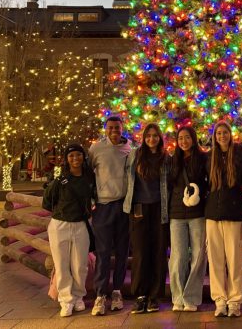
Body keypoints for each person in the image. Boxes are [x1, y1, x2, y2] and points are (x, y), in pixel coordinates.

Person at [42, 143, 96, 317]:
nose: (75, 159)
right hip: (60, 224)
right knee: (61, 264)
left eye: (78, 155)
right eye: (71, 156)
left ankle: (79, 296)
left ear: (83, 157)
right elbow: (47, 201)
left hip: (81, 224)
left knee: (80, 265)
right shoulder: (60, 180)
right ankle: (66, 300)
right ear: (66, 159)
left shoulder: (89, 178)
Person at [124, 123, 171, 314]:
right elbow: (126, 178)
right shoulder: (135, 155)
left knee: (159, 252)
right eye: (148, 136)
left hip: (160, 208)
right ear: (144, 138)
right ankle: (140, 295)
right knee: (141, 252)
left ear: (160, 138)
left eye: (155, 136)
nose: (152, 139)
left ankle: (154, 296)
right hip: (139, 208)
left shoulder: (166, 158)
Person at [88, 116, 133, 316]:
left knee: (122, 252)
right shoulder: (96, 149)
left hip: (123, 206)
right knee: (103, 253)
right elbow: (88, 175)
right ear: (106, 130)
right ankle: (100, 294)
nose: (114, 131)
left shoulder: (130, 149)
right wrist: (91, 201)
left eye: (117, 127)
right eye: (111, 128)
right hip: (103, 206)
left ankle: (116, 291)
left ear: (123, 129)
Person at [205, 121, 242, 318]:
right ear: (214, 137)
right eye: (218, 133)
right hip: (213, 215)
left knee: (234, 260)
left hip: (234, 214)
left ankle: (234, 300)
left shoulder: (240, 156)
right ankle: (220, 300)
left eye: (225, 133)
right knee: (215, 261)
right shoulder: (209, 158)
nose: (222, 136)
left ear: (230, 135)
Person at [168, 126, 208, 312]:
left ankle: (191, 297)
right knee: (178, 257)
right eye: (180, 138)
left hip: (198, 213)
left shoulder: (203, 159)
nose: (183, 141)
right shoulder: (172, 160)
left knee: (199, 256)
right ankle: (177, 297)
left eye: (187, 137)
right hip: (177, 214)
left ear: (193, 139)